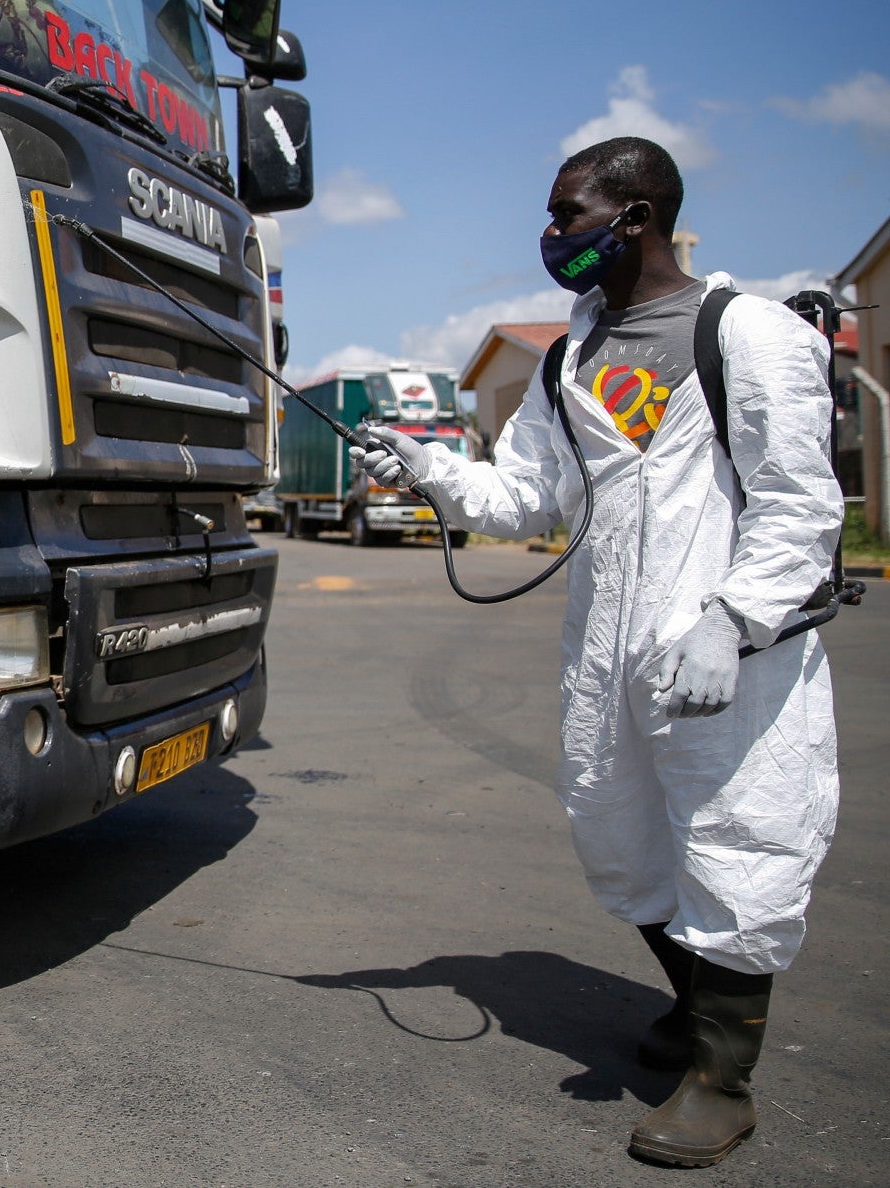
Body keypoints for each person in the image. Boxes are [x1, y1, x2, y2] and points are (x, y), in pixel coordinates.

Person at [352, 136, 842, 1169]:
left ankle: (720, 1077)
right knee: (620, 833)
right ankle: (696, 1006)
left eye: (567, 213)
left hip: (727, 654)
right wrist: (427, 467)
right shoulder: (573, 350)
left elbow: (800, 505)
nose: (550, 235)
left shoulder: (741, 332)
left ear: (637, 215)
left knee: (736, 841)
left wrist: (732, 621)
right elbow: (523, 495)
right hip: (609, 641)